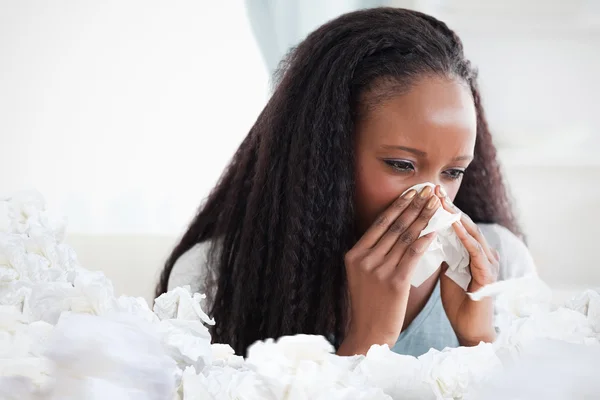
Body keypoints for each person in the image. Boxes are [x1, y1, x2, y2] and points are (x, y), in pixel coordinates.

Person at [155, 7, 536, 357]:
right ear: (323, 154)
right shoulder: (211, 275)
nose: (434, 200)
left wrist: (479, 340)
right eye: (402, 165)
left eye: (453, 172)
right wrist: (367, 341)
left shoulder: (503, 266)